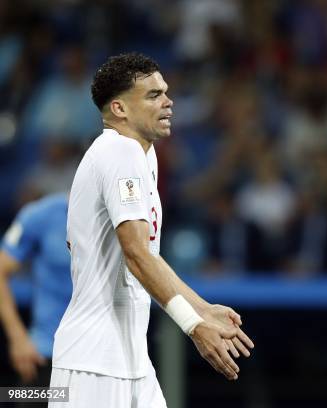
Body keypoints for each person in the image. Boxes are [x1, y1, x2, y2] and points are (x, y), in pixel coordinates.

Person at [49, 53, 254, 408]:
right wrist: (194, 325)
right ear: (119, 109)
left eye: (166, 92)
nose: (168, 101)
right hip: (94, 366)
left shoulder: (143, 156)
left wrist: (203, 308)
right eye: (153, 95)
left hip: (130, 361)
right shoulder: (119, 153)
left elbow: (148, 257)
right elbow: (137, 255)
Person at [0, 193, 71, 389]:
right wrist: (17, 338)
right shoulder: (40, 215)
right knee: (14, 394)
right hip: (45, 356)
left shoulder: (122, 220)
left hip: (104, 359)